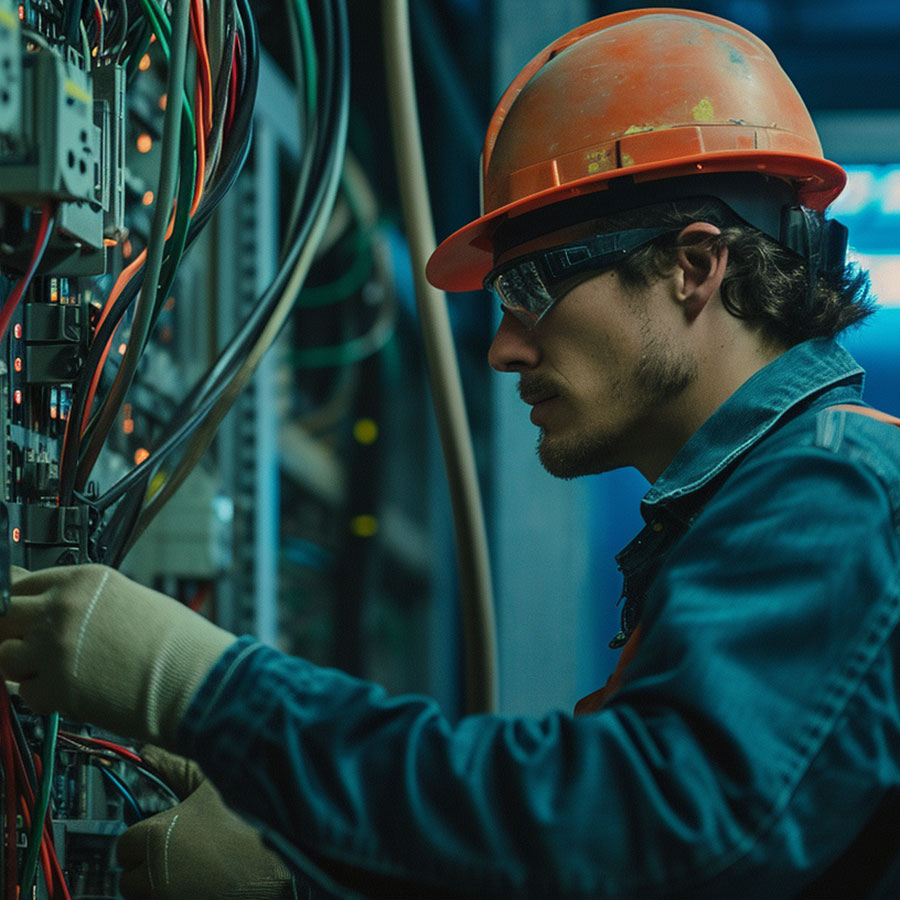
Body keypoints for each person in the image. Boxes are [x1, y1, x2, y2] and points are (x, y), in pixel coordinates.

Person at [2, 8, 900, 899]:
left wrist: (202, 685)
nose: (502, 347)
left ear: (693, 265)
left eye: (529, 285)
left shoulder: (833, 489)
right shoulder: (745, 510)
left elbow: (641, 823)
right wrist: (309, 864)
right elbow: (584, 846)